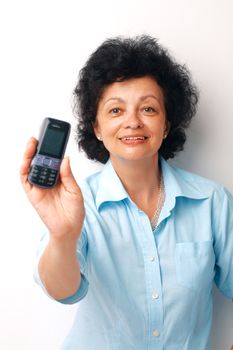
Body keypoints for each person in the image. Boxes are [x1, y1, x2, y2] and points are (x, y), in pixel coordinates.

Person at [20, 35, 233, 350]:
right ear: (97, 128)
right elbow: (62, 291)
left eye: (148, 108)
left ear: (166, 124)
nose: (133, 122)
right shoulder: (78, 202)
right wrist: (63, 235)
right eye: (116, 111)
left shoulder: (212, 202)